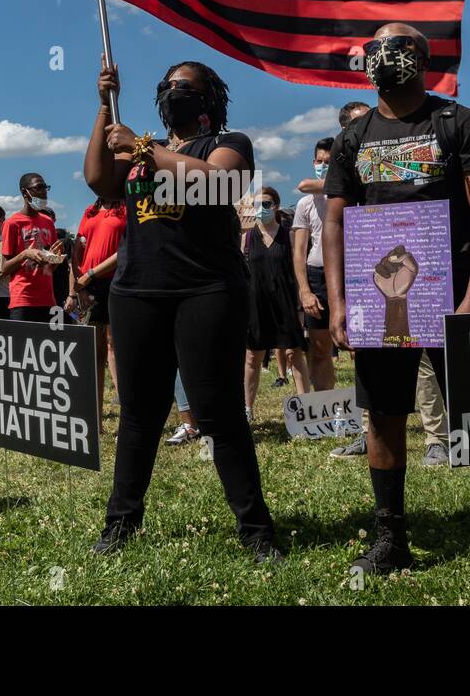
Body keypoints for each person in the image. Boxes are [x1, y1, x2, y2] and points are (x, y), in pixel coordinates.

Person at [324, 23, 470, 601]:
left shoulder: (458, 123)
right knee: (384, 415)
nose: (382, 56)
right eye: (373, 48)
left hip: (453, 296)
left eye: (396, 46)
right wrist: (340, 300)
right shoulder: (352, 137)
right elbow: (336, 220)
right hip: (378, 301)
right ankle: (391, 537)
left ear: (421, 58)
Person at [84, 57, 282, 563]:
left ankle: (256, 530)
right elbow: (99, 182)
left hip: (206, 291)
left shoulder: (227, 145)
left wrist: (143, 148)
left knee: (218, 414)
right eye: (169, 86)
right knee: (139, 413)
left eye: (186, 87)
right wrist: (104, 108)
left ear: (208, 98)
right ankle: (121, 523)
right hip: (137, 290)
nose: (175, 92)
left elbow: (219, 186)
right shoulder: (143, 148)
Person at [243, 185, 311, 419]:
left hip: (285, 302)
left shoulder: (289, 235)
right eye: (257, 205)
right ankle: (247, 409)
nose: (261, 209)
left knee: (294, 354)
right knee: (253, 357)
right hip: (256, 303)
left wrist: (301, 304)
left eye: (266, 204)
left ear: (276, 206)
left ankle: (306, 407)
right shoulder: (246, 238)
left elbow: (297, 270)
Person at [72, 196, 126, 419]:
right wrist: (80, 284)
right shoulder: (90, 211)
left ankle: (126, 408)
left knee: (116, 345)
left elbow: (126, 248)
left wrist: (90, 274)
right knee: (93, 351)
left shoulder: (125, 208)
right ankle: (95, 416)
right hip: (88, 285)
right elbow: (77, 250)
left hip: (116, 280)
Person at [293, 137, 336, 392]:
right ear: (313, 162)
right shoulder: (305, 203)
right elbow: (299, 251)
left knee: (358, 347)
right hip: (316, 274)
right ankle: (327, 407)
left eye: (329, 162)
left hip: (347, 274)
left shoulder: (350, 193)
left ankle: (365, 414)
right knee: (320, 350)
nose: (323, 166)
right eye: (320, 161)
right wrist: (305, 290)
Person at [1, 174, 64, 322]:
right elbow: (4, 268)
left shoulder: (48, 222)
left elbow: (49, 269)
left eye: (45, 187)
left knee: (50, 343)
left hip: (47, 299)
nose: (43, 192)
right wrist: (25, 254)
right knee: (22, 345)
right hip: (23, 300)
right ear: (25, 192)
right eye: (38, 188)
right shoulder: (12, 223)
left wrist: (55, 258)